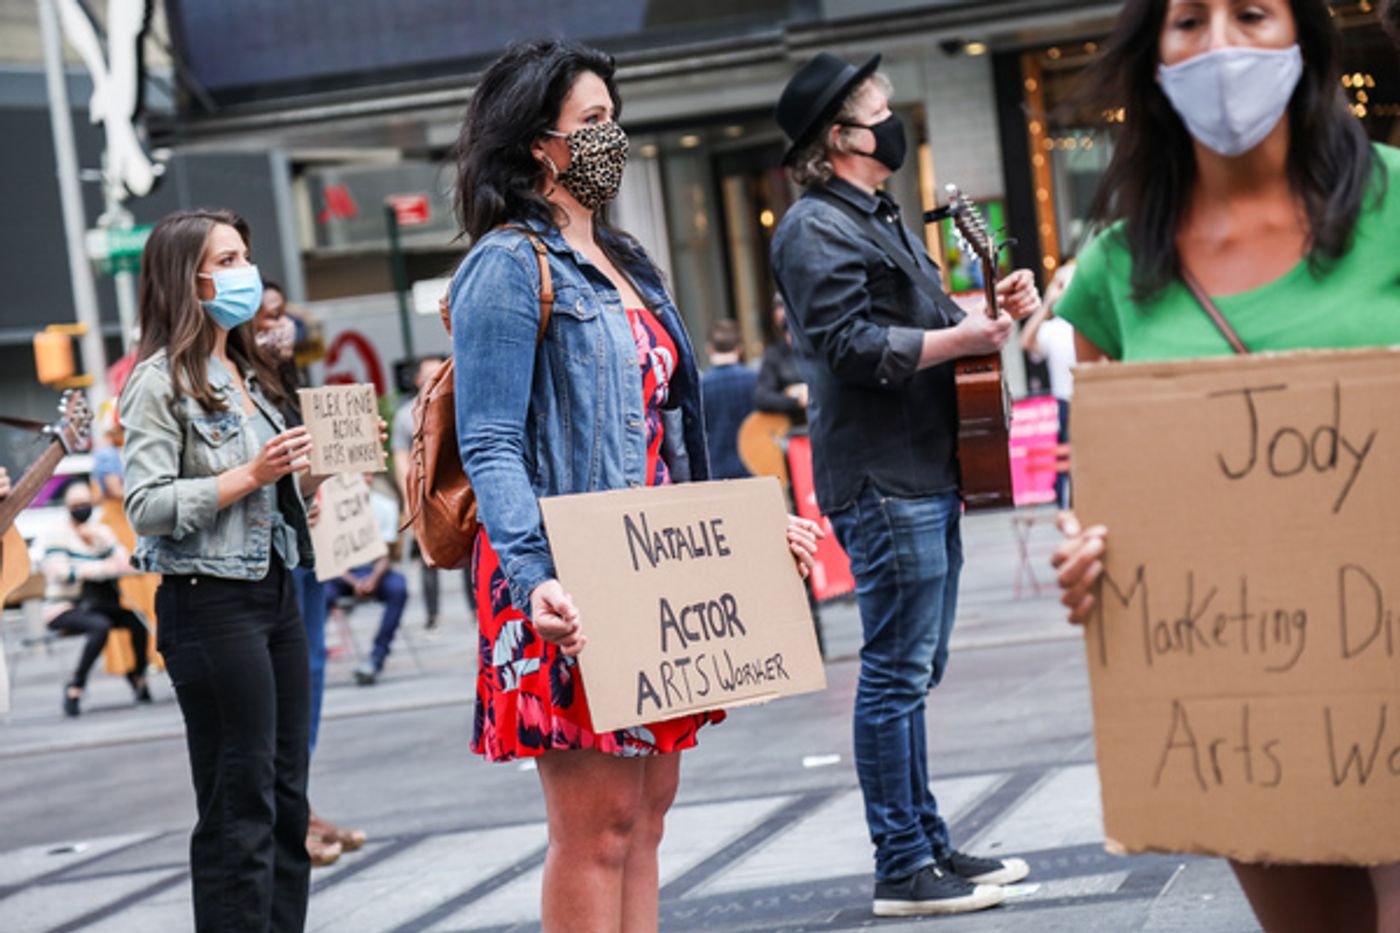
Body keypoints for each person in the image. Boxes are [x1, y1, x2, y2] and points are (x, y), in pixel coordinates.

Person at [451, 39, 820, 931]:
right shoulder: (505, 265)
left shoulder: (627, 261)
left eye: (614, 118)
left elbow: (670, 432)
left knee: (646, 819)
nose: (613, 137)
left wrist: (744, 538)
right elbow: (491, 440)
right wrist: (537, 573)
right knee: (598, 829)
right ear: (541, 143)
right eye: (594, 122)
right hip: (567, 581)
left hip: (651, 575)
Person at [1048, 2, 1400, 931]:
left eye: (1252, 13)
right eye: (1189, 21)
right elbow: (1110, 487)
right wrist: (1087, 555)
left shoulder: (1398, 204)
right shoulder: (1116, 274)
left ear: (1304, 41)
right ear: (1154, 57)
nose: (1222, 48)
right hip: (1254, 704)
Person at [770, 51, 1041, 918]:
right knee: (893, 673)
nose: (894, 119)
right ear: (840, 136)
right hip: (884, 477)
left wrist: (992, 312)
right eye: (880, 108)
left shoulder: (880, 216)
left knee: (915, 668)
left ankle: (924, 840)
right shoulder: (814, 227)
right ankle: (899, 864)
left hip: (924, 466)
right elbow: (849, 346)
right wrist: (963, 341)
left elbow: (931, 324)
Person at [122, 208, 321, 932]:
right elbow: (144, 504)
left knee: (286, 797)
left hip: (274, 593)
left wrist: (314, 478)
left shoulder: (247, 372)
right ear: (188, 276)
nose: (247, 274)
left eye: (245, 256)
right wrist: (250, 473)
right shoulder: (158, 381)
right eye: (228, 260)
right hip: (208, 604)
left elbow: (268, 493)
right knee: (240, 803)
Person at [253, 288, 364, 868]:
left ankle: (300, 803)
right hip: (273, 559)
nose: (283, 327)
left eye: (282, 315)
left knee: (309, 677)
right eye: (268, 318)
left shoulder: (289, 385)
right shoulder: (240, 389)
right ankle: (287, 814)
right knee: (284, 685)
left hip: (309, 552)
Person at [39, 480, 150, 717]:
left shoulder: (100, 531)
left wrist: (102, 550)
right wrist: (103, 567)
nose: (83, 509)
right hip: (64, 607)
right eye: (77, 504)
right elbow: (62, 573)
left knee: (137, 623)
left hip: (99, 605)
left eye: (86, 504)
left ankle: (138, 676)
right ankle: (76, 686)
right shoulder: (57, 535)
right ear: (68, 506)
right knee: (100, 627)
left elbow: (123, 562)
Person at [391, 353, 470, 630]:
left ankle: (475, 611)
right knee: (429, 554)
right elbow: (401, 459)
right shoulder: (404, 415)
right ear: (417, 380)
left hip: (456, 492)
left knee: (468, 553)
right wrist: (410, 498)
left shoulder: (458, 403)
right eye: (429, 375)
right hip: (424, 493)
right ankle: (432, 615)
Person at [323, 474, 408, 686]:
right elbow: (327, 555)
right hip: (342, 574)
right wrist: (353, 582)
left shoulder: (385, 506)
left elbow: (387, 553)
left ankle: (377, 657)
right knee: (320, 593)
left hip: (374, 570)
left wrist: (372, 579)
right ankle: (312, 657)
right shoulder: (330, 509)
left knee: (399, 588)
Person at [1018, 260, 1077, 508]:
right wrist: (1047, 304)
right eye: (1061, 283)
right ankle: (1065, 506)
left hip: (1091, 398)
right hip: (1066, 401)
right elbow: (1026, 342)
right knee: (1066, 459)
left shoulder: (1090, 321)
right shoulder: (1053, 328)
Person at [699, 319, 757, 480]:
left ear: (709, 349)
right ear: (739, 349)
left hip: (716, 469)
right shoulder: (755, 380)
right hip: (753, 464)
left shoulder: (701, 386)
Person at [754, 294, 808, 426]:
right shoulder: (774, 355)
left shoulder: (816, 350)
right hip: (792, 429)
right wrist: (797, 401)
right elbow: (762, 397)